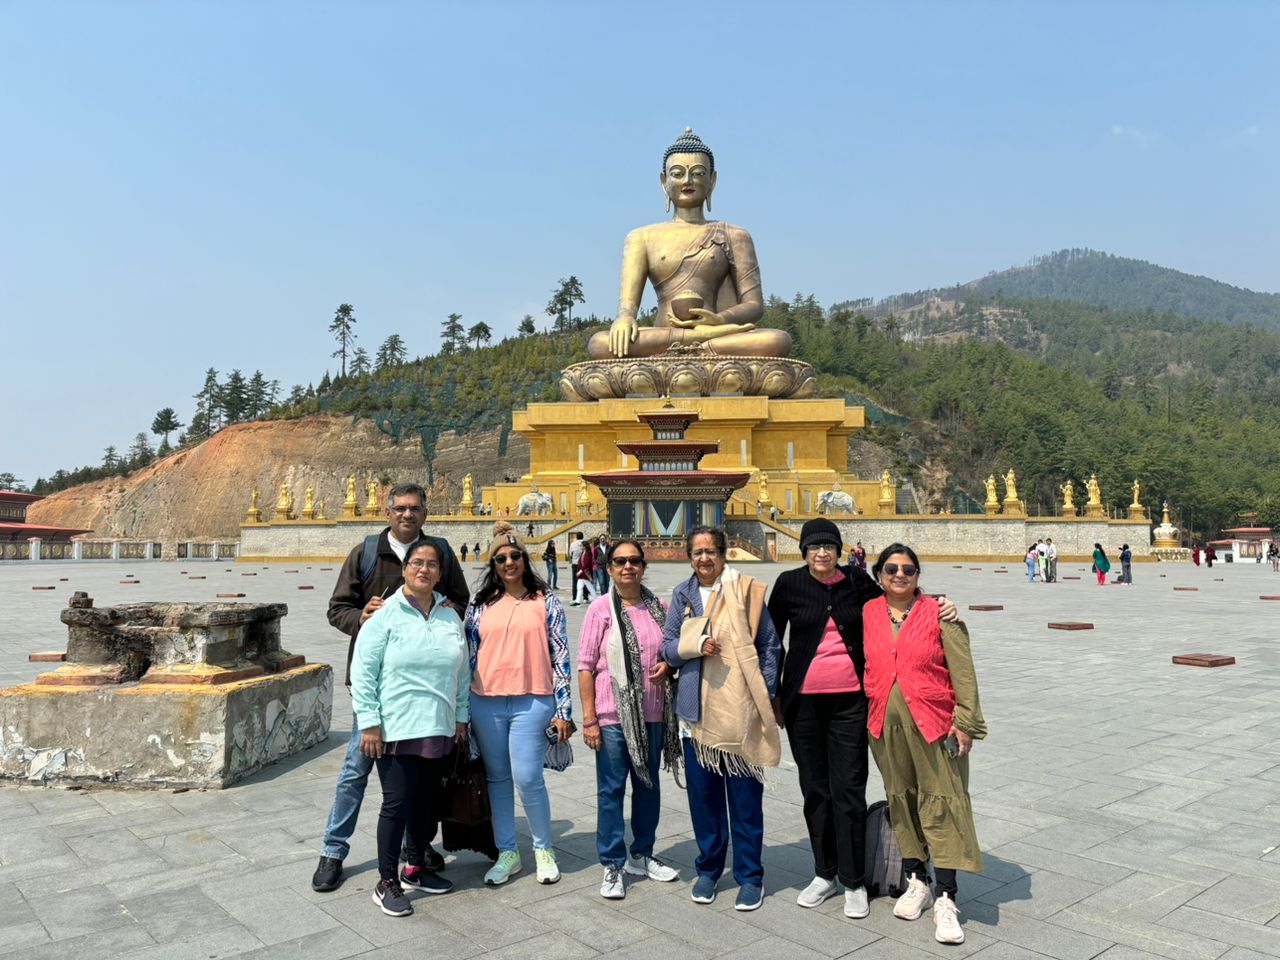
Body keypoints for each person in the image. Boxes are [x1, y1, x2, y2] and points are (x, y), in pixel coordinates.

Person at [767, 519, 959, 920]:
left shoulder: (856, 581)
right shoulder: (788, 584)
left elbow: (898, 599)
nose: (822, 553)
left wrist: (940, 606)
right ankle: (825, 872)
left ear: (840, 550)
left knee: (849, 789)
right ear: (803, 550)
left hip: (852, 703)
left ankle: (853, 879)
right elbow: (771, 642)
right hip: (803, 704)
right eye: (814, 546)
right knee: (815, 789)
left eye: (829, 546)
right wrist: (773, 696)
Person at [312, 482, 469, 894]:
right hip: (376, 690)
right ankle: (334, 849)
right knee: (355, 771)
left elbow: (460, 601)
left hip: (427, 695)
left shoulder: (441, 552)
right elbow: (337, 609)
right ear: (387, 512)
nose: (407, 515)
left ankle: (413, 852)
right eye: (400, 508)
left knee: (415, 780)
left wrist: (449, 610)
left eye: (414, 509)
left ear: (425, 514)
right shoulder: (365, 553)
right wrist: (360, 617)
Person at [863, 544, 986, 945]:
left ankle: (948, 895)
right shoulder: (867, 612)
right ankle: (918, 878)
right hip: (885, 725)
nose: (900, 575)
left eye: (909, 569)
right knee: (902, 798)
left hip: (935, 725)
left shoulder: (939, 612)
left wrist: (965, 722)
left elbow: (962, 672)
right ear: (879, 574)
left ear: (918, 575)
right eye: (891, 569)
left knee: (942, 800)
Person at [588, 127, 790, 361]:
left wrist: (719, 322)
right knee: (601, 344)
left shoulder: (734, 235)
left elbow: (754, 306)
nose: (687, 181)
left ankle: (686, 352)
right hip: (665, 334)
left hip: (715, 333)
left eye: (697, 173)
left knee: (776, 341)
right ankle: (697, 349)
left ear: (712, 181)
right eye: (677, 173)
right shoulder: (641, 237)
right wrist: (624, 319)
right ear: (664, 182)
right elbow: (627, 307)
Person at [660, 526, 781, 912]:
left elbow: (770, 646)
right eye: (696, 552)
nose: (704, 559)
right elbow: (668, 647)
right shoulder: (683, 595)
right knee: (704, 799)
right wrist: (694, 645)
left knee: (745, 801)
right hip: (696, 713)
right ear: (689, 557)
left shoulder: (746, 590)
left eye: (710, 551)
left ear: (724, 553)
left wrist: (760, 694)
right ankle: (709, 869)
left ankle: (750, 876)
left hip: (740, 712)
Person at [351, 540, 468, 916]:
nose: (424, 570)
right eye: (417, 563)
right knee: (397, 803)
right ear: (404, 569)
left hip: (438, 725)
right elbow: (363, 673)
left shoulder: (450, 617)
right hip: (396, 727)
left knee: (427, 804)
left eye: (432, 565)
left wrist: (461, 717)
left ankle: (415, 868)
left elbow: (462, 673)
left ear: (440, 573)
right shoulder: (384, 616)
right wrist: (369, 724)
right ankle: (386, 881)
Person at [464, 521, 574, 887]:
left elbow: (561, 658)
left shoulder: (547, 602)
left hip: (533, 700)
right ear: (493, 565)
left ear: (525, 560)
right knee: (497, 779)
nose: (508, 563)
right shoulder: (480, 605)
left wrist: (564, 710)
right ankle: (508, 852)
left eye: (515, 556)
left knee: (528, 777)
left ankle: (544, 849)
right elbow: (466, 657)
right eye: (500, 559)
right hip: (486, 702)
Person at [577, 539, 682, 899]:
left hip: (653, 714)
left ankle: (641, 853)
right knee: (611, 791)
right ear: (608, 568)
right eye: (619, 561)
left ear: (643, 566)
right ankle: (611, 863)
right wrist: (589, 719)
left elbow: (672, 651)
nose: (627, 567)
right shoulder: (600, 609)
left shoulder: (660, 607)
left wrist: (668, 665)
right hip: (611, 716)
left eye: (634, 561)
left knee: (648, 786)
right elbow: (586, 667)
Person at [572, 542, 597, 607]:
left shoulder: (588, 553)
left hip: (586, 573)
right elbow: (580, 563)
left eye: (581, 546)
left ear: (585, 546)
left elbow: (586, 564)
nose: (580, 547)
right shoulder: (583, 553)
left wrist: (580, 571)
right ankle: (577, 602)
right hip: (582, 574)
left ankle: (596, 600)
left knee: (590, 587)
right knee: (579, 587)